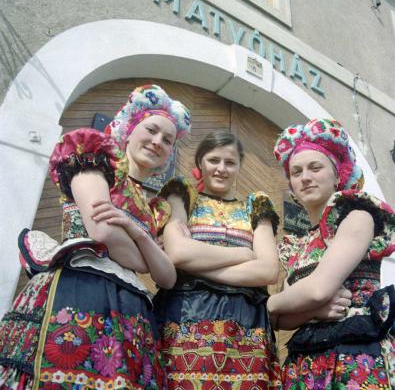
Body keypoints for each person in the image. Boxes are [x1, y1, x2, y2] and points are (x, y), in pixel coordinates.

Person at [0, 84, 190, 389]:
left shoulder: (157, 209)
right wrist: (147, 256)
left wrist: (134, 232)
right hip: (78, 289)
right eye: (152, 130)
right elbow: (103, 233)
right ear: (129, 129)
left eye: (167, 140)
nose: (157, 142)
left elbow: (167, 277)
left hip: (130, 310)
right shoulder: (91, 162)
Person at [269, 118, 395, 389]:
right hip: (307, 360)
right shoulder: (297, 245)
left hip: (356, 352)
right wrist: (312, 310)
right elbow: (282, 319)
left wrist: (268, 304)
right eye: (296, 171)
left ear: (338, 175)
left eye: (315, 168)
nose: (305, 177)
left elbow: (317, 289)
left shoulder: (357, 216)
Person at [154, 130, 282, 389]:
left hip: (245, 326)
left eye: (230, 162)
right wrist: (243, 254)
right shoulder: (182, 195)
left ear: (239, 167)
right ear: (200, 162)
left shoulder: (255, 205)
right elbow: (177, 252)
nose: (221, 168)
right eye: (214, 160)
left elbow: (268, 271)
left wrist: (195, 265)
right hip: (183, 319)